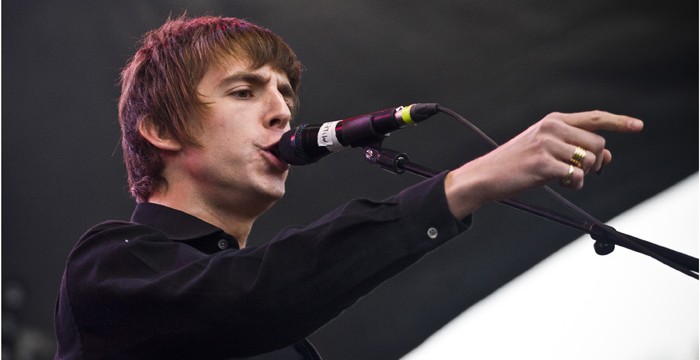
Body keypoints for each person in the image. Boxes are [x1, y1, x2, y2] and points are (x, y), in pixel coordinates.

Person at [53, 14, 644, 359]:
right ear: (159, 129)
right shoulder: (107, 267)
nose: (282, 112)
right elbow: (249, 299)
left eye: (286, 93)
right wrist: (465, 183)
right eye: (244, 92)